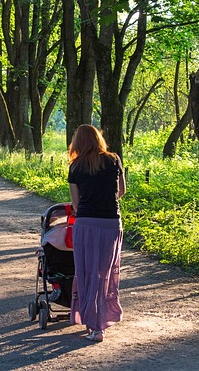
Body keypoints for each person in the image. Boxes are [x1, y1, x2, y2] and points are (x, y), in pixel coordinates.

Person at [67, 124, 126, 342]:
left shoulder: (75, 167)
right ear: (98, 139)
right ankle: (103, 319)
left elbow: (76, 203)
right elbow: (121, 191)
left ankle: (94, 325)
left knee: (87, 272)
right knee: (106, 273)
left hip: (86, 224)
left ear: (77, 142)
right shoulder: (114, 160)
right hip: (111, 223)